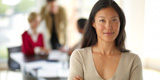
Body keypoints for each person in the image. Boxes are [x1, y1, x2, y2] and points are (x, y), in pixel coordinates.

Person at [68, 0, 143, 80]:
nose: (108, 27)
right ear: (93, 23)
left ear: (120, 23)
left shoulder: (133, 61)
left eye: (114, 20)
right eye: (102, 20)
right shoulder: (79, 57)